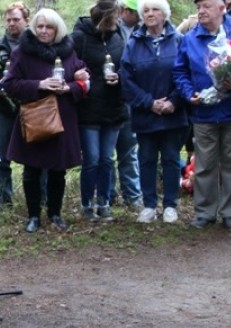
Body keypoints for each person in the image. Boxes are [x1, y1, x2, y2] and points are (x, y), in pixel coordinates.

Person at [172, 0, 231, 230]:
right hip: (204, 112)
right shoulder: (190, 38)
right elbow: (180, 71)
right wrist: (189, 94)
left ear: (222, 7)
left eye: (207, 6)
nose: (201, 11)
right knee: (205, 164)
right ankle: (204, 212)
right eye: (199, 6)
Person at [4, 9, 88, 233]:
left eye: (48, 27)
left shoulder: (69, 51)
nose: (43, 31)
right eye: (39, 26)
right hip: (35, 116)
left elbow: (82, 80)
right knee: (31, 170)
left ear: (57, 29)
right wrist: (39, 85)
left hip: (63, 117)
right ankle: (33, 216)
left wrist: (71, 85)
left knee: (57, 170)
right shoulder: (22, 52)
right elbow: (10, 84)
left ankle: (55, 213)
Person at [121, 0, 188, 224]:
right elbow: (127, 79)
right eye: (146, 10)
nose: (150, 14)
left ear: (165, 14)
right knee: (146, 158)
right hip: (145, 113)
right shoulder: (134, 42)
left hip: (173, 113)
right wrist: (149, 103)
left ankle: (170, 205)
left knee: (171, 158)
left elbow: (186, 74)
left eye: (155, 9)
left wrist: (173, 102)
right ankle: (149, 205)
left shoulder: (178, 40)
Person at [73, 0, 130, 222]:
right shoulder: (79, 37)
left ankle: (104, 202)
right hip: (88, 109)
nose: (119, 20)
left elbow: (126, 67)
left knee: (107, 158)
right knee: (92, 158)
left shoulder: (118, 37)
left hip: (113, 107)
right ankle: (87, 203)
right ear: (106, 17)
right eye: (116, 16)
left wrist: (120, 78)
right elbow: (70, 67)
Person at [0, 2, 30, 209]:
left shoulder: (35, 43)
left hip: (32, 110)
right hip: (5, 110)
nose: (12, 24)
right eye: (9, 20)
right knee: (1, 158)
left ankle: (38, 199)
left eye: (16, 20)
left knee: (36, 158)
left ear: (26, 21)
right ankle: (3, 202)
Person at [110, 0, 144, 211]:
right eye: (137, 12)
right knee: (105, 153)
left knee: (129, 149)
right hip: (109, 99)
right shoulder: (110, 31)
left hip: (133, 99)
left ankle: (132, 196)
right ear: (124, 11)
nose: (141, 16)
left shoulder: (142, 30)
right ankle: (108, 194)